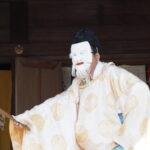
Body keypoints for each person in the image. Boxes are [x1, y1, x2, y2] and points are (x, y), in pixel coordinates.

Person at [10, 28, 150, 150]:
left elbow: (141, 91)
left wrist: (124, 142)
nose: (78, 59)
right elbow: (54, 106)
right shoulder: (78, 85)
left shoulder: (111, 74)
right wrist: (26, 119)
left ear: (96, 56)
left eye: (83, 53)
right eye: (74, 55)